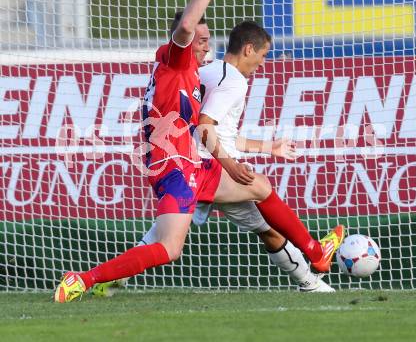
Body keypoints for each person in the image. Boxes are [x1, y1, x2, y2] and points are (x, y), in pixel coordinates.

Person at [54, 0, 343, 303]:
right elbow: (205, 119)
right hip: (176, 168)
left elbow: (204, 127)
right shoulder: (178, 63)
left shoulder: (194, 74)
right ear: (186, 40)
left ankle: (314, 252)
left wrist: (259, 150)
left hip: (194, 163)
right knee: (169, 248)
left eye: (209, 40)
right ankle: (84, 279)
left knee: (260, 187)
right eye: (202, 40)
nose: (208, 45)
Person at [92, 20, 334, 296]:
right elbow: (206, 125)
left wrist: (268, 147)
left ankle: (107, 278)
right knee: (270, 222)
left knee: (163, 237)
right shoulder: (234, 82)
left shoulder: (206, 71)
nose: (264, 62)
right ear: (248, 49)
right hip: (209, 167)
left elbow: (219, 131)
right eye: (263, 54)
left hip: (187, 161)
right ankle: (312, 275)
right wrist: (230, 165)